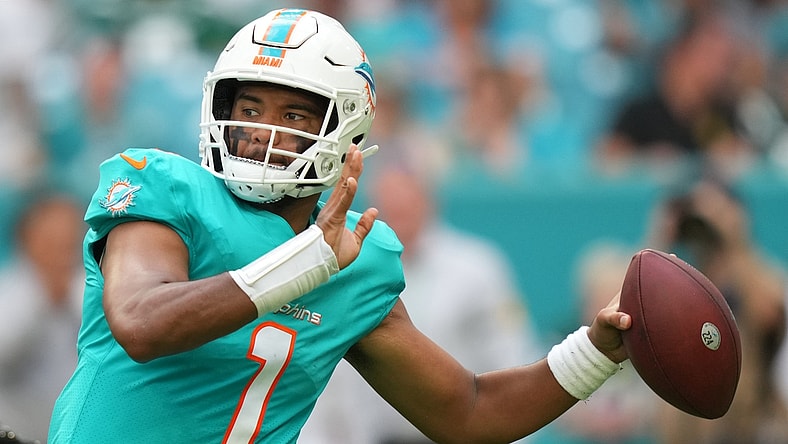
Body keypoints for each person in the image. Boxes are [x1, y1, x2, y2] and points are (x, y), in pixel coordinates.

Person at [49, 9, 631, 443]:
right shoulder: (164, 188)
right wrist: (306, 263)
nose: (263, 131)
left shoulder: (359, 257)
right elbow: (142, 323)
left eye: (294, 114)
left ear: (347, 134)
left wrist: (599, 350)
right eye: (249, 109)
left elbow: (469, 410)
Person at [300, 165, 541, 444]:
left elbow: (509, 352)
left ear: (429, 201)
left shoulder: (477, 267)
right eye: (390, 201)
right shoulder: (352, 269)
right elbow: (332, 379)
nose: (399, 210)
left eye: (407, 201)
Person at [643, 178, 788, 444]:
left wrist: (734, 237)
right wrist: (658, 240)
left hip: (751, 423)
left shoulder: (759, 275)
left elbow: (768, 313)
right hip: (687, 427)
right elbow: (630, 311)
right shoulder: (681, 279)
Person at [0, 192, 85, 442]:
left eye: (68, 239)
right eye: (51, 240)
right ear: (26, 239)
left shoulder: (88, 289)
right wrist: (42, 300)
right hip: (18, 431)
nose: (61, 250)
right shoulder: (10, 290)